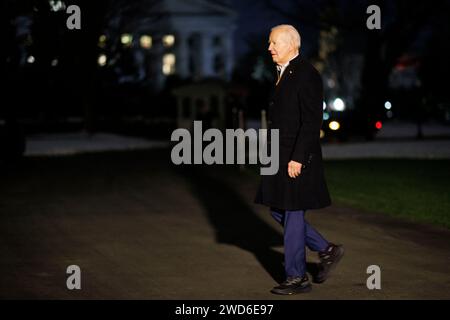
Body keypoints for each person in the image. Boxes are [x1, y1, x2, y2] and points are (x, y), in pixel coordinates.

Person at [255, 25, 344, 295]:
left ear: (292, 44)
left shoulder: (306, 74)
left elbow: (311, 121)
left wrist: (297, 158)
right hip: (280, 156)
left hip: (296, 157)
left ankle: (296, 277)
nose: (269, 48)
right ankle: (327, 250)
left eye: (274, 43)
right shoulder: (284, 73)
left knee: (292, 212)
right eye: (269, 42)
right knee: (277, 210)